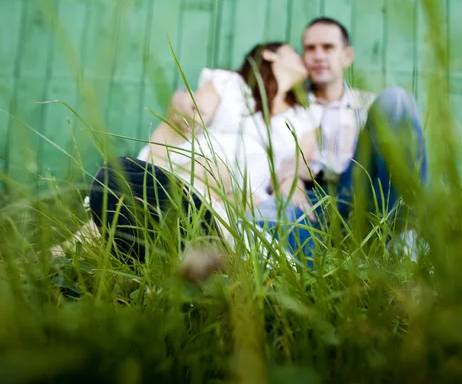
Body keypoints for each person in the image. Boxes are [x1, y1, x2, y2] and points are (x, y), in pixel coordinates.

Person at [80, 42, 321, 266]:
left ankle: (139, 234)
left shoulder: (305, 116)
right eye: (295, 52)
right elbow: (190, 119)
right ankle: (188, 232)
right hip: (198, 165)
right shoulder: (230, 83)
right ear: (270, 54)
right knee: (205, 179)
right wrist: (180, 102)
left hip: (243, 194)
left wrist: (290, 193)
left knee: (223, 206)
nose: (303, 59)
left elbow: (296, 168)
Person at [265, 17, 429, 265]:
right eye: (310, 49)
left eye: (328, 48)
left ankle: (405, 239)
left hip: (362, 192)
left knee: (397, 100)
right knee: (262, 217)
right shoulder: (288, 104)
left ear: (347, 56)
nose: (318, 56)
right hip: (310, 199)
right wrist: (290, 178)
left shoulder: (372, 105)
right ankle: (315, 264)